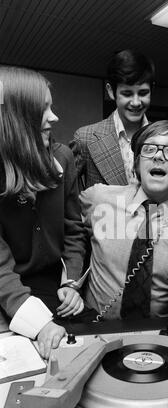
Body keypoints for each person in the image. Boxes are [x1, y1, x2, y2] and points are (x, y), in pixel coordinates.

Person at [80, 120, 168, 321]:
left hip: (159, 339)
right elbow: (64, 228)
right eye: (149, 149)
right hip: (95, 330)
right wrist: (69, 282)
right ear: (137, 162)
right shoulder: (98, 198)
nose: (158, 156)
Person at [0, 66, 87, 359]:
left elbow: (74, 229)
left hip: (52, 284)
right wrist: (40, 325)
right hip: (7, 290)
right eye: (44, 109)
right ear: (17, 119)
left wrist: (71, 282)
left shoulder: (63, 157)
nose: (54, 117)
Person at [70, 49, 155, 190]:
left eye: (143, 93)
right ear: (111, 91)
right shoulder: (85, 138)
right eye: (127, 94)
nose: (136, 102)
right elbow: (70, 196)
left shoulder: (163, 138)